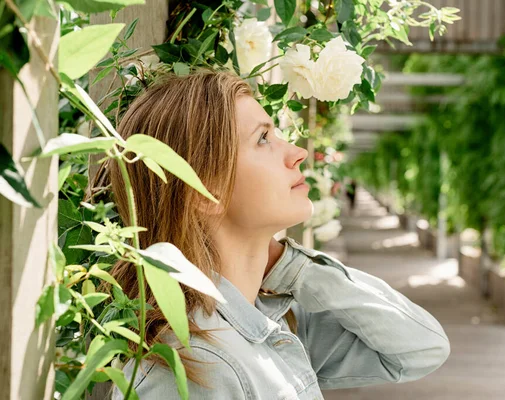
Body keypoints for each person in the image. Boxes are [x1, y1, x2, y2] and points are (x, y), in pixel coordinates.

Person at [99, 69, 450, 399]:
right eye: (263, 138)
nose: (298, 154)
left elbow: (420, 348)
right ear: (203, 190)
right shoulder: (193, 370)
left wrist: (291, 265)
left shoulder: (275, 320)